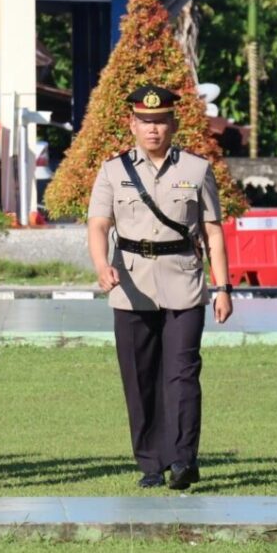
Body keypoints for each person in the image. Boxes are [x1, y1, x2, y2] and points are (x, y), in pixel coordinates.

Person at [87, 85, 233, 490]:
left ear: (173, 123)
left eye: (161, 121)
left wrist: (222, 287)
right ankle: (151, 462)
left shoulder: (196, 169)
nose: (153, 129)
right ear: (132, 123)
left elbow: (212, 231)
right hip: (131, 282)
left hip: (183, 279)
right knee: (140, 376)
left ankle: (183, 459)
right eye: (145, 122)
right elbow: (99, 225)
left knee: (182, 374)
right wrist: (101, 265)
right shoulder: (112, 171)